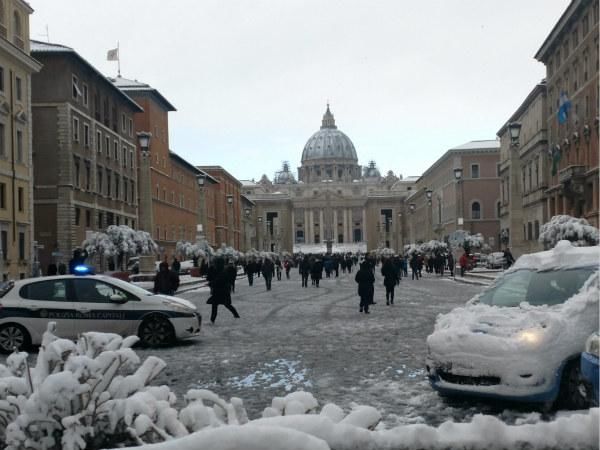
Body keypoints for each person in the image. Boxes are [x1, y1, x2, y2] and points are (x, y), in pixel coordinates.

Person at [207, 258, 240, 324]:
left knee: (227, 304)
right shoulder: (217, 269)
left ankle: (236, 315)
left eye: (215, 263)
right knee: (215, 305)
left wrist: (211, 283)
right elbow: (213, 277)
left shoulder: (223, 270)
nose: (214, 264)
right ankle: (212, 320)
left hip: (223, 291)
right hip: (219, 291)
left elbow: (219, 280)